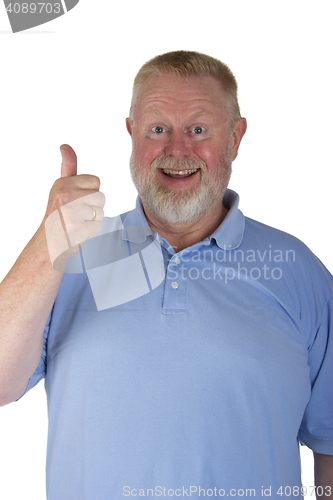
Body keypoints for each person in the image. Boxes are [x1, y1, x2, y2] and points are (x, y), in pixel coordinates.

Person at [0, 50, 332, 499]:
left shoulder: (297, 270)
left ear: (236, 138)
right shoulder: (71, 258)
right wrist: (48, 243)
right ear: (132, 133)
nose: (178, 149)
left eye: (198, 129)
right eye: (158, 129)